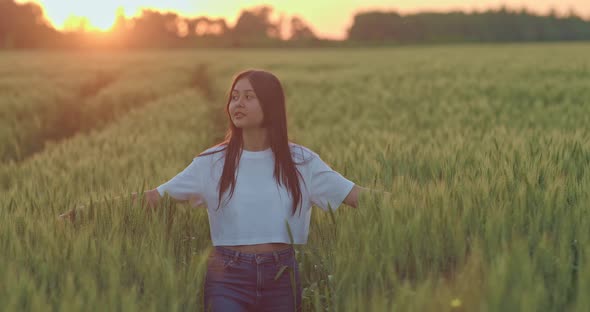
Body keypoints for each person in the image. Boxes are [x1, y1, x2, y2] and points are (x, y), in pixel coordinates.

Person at [59, 69, 388, 311]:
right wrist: (84, 214)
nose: (237, 103)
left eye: (249, 96)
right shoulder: (211, 163)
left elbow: (357, 196)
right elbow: (152, 200)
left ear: (270, 105)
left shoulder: (302, 162)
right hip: (227, 276)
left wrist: (425, 201)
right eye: (234, 96)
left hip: (282, 276)